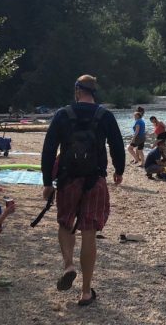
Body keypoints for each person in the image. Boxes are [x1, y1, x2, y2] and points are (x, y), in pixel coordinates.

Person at [40, 74, 125, 306]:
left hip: (68, 179)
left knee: (65, 224)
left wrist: (47, 182)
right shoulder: (104, 115)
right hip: (95, 180)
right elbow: (117, 144)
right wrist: (119, 170)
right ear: (94, 91)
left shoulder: (62, 115)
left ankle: (68, 265)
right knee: (89, 231)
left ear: (77, 90)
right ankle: (86, 292)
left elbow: (49, 149)